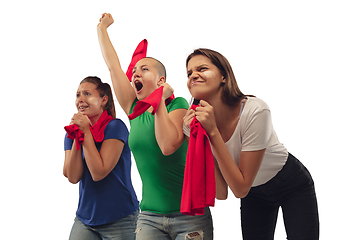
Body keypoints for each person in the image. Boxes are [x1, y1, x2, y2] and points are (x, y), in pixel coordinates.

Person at [97, 13, 213, 240]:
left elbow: (168, 145)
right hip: (148, 216)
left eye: (144, 69)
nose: (135, 73)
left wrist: (159, 101)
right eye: (134, 72)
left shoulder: (177, 104)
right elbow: (113, 67)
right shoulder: (133, 109)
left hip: (189, 215)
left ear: (161, 81)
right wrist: (102, 28)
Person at [183, 49, 319, 240]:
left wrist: (213, 132)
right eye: (189, 73)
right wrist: (200, 136)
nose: (193, 75)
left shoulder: (255, 110)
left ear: (224, 76)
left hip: (291, 184)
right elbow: (222, 192)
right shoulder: (194, 126)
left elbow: (240, 188)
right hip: (254, 194)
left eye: (202, 68)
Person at [63, 76, 139, 240]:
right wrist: (77, 136)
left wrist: (86, 133)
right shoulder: (72, 134)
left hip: (121, 218)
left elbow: (99, 172)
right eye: (78, 95)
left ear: (104, 100)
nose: (80, 100)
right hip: (86, 219)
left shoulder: (115, 127)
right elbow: (73, 176)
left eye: (87, 94)